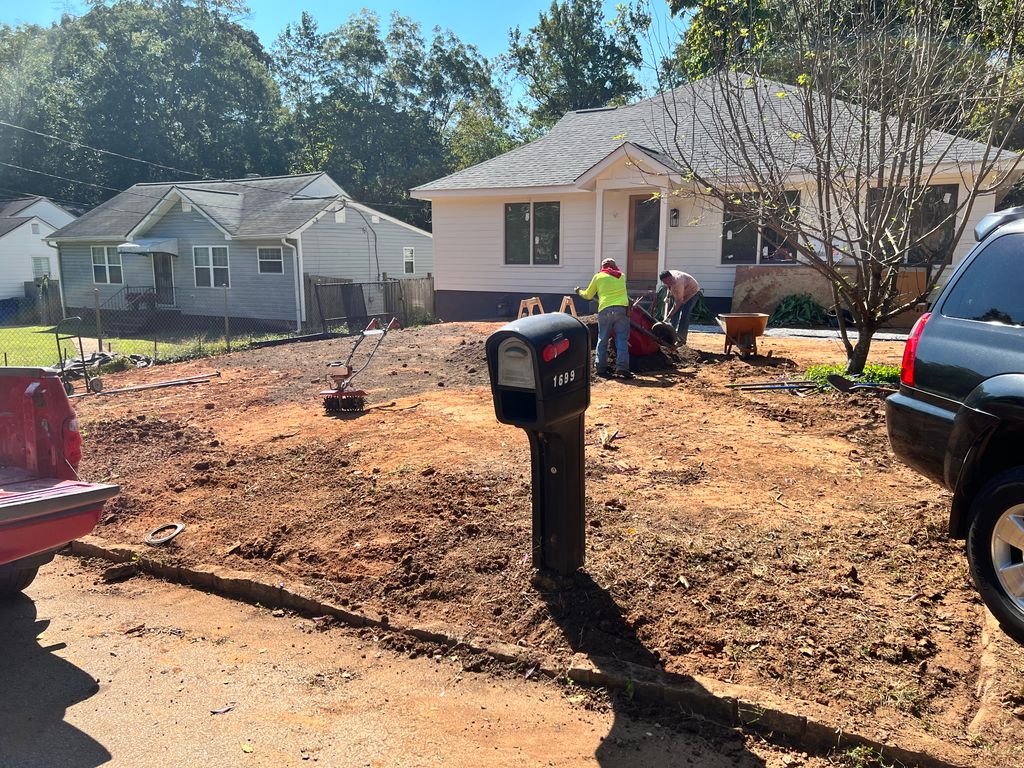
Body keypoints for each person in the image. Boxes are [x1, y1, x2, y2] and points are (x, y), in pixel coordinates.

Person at [577, 259, 633, 379]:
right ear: (614, 266)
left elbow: (588, 295)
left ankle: (600, 367)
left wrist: (578, 291)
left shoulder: (598, 277)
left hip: (605, 309)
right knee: (622, 339)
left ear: (603, 267)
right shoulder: (621, 276)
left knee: (602, 338)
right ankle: (622, 367)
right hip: (621, 309)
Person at [659, 269, 702, 346]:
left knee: (684, 315)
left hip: (692, 292)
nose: (665, 283)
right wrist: (667, 297)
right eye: (664, 282)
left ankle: (681, 339)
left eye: (666, 282)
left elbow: (678, 302)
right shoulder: (668, 276)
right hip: (683, 289)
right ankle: (671, 335)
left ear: (670, 278)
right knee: (675, 313)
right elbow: (668, 285)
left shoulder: (678, 283)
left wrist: (668, 316)